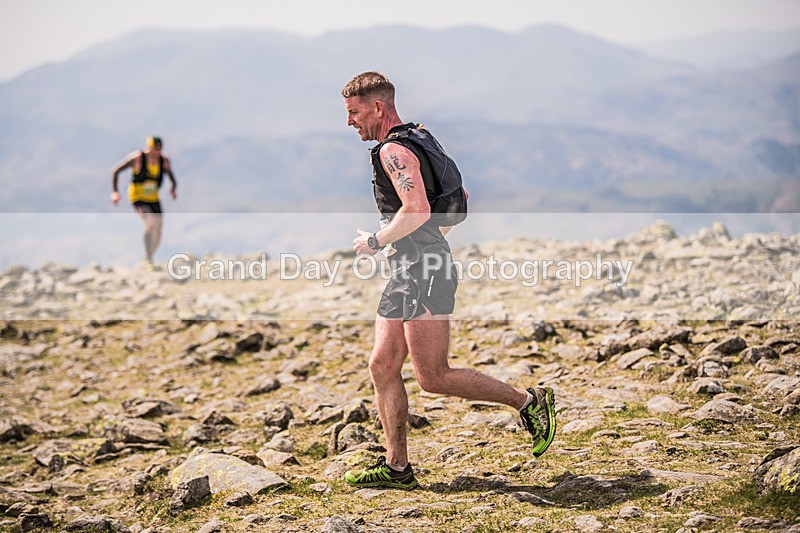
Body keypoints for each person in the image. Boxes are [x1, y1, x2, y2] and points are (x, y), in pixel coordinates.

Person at [342, 71, 556, 489]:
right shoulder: (421, 138)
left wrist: (376, 240)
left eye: (353, 112)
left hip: (424, 271)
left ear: (377, 107)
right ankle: (397, 468)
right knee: (383, 364)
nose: (349, 122)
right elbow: (459, 200)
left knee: (433, 377)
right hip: (410, 267)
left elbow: (417, 209)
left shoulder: (394, 151)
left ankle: (529, 402)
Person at [111, 136, 177, 269]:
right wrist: (115, 192)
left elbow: (172, 177)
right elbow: (116, 170)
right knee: (150, 223)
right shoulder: (137, 158)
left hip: (153, 197)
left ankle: (149, 257)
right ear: (149, 148)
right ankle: (148, 257)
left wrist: (173, 189)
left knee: (159, 228)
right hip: (138, 197)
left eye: (158, 150)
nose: (156, 153)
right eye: (154, 150)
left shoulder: (164, 160)